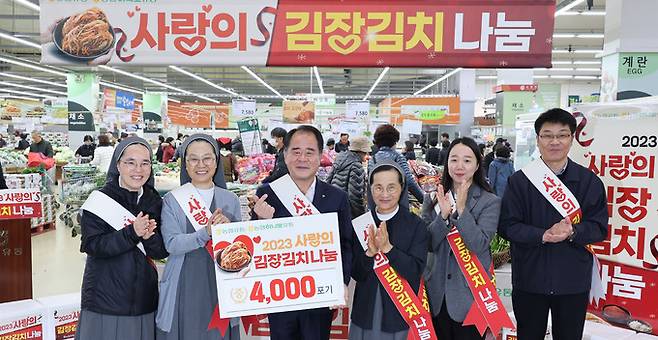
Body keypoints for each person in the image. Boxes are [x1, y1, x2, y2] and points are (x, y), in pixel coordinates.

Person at [498, 108, 608, 340]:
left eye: (562, 135)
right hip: (530, 279)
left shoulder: (589, 182)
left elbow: (599, 228)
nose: (555, 141)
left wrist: (573, 231)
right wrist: (543, 235)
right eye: (547, 135)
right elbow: (507, 226)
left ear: (571, 139)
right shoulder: (519, 181)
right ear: (538, 140)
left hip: (572, 281)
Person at [250, 125, 353, 340]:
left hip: (320, 295)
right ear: (285, 155)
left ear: (320, 156)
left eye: (309, 152)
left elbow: (345, 244)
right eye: (296, 152)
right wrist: (261, 222)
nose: (302, 158)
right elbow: (253, 249)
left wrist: (341, 282)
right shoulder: (267, 193)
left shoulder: (337, 197)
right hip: (280, 295)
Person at [75, 137, 168, 340]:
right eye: (130, 162)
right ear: (118, 164)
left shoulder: (154, 201)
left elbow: (160, 252)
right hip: (105, 301)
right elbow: (93, 245)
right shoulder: (100, 199)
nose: (138, 169)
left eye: (145, 163)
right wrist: (132, 232)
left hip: (144, 300)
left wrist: (150, 237)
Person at [156, 134, 239, 339]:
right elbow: (171, 243)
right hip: (184, 280)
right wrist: (205, 233)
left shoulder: (231, 200)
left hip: (221, 280)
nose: (200, 165)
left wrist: (232, 232)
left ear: (216, 161)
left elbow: (241, 246)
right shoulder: (172, 200)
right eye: (193, 159)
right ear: (185, 163)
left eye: (207, 158)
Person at [421, 137, 500, 340]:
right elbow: (427, 243)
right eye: (454, 159)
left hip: (471, 297)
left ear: (477, 164)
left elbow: (479, 244)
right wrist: (444, 217)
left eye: (467, 160)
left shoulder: (489, 201)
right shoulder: (432, 197)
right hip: (436, 295)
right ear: (447, 163)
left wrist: (462, 210)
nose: (459, 166)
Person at [350, 159, 428, 339]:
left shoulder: (416, 225)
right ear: (370, 189)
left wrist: (388, 249)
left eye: (391, 187)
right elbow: (357, 273)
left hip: (400, 314)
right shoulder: (361, 223)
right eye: (378, 187)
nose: (384, 194)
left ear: (402, 188)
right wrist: (370, 253)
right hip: (365, 311)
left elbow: (415, 270)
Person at [368, 124, 424, 210]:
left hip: (378, 205)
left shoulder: (373, 159)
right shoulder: (398, 157)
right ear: (394, 141)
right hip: (397, 206)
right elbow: (408, 181)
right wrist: (423, 199)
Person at [327, 136, 369, 217]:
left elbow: (328, 181)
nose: (366, 154)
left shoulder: (339, 159)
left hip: (334, 205)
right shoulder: (356, 166)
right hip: (347, 210)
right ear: (360, 151)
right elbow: (355, 195)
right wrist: (361, 214)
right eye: (365, 152)